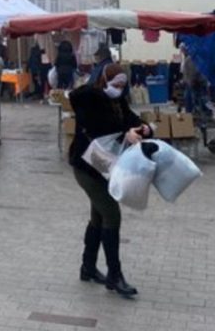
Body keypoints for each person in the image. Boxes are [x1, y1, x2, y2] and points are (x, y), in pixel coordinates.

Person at [67, 64, 151, 298]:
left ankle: (88, 267)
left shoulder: (118, 101)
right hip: (86, 167)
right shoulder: (90, 98)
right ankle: (114, 275)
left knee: (98, 216)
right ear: (104, 80)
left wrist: (143, 128)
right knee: (112, 214)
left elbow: (129, 119)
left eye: (123, 86)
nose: (119, 89)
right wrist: (125, 132)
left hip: (104, 168)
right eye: (115, 84)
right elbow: (98, 125)